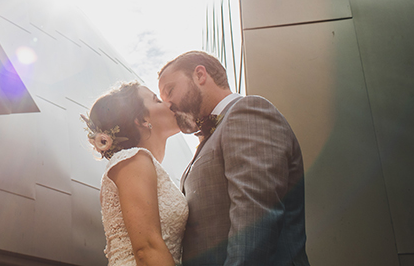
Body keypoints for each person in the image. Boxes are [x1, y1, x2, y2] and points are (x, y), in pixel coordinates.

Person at [157, 51, 310, 266]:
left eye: (170, 90)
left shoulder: (247, 112)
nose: (168, 105)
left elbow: (255, 218)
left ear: (200, 75)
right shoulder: (214, 134)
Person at [82, 82, 197, 266]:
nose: (168, 104)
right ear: (142, 119)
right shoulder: (133, 160)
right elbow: (147, 248)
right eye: (157, 100)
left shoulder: (143, 163)